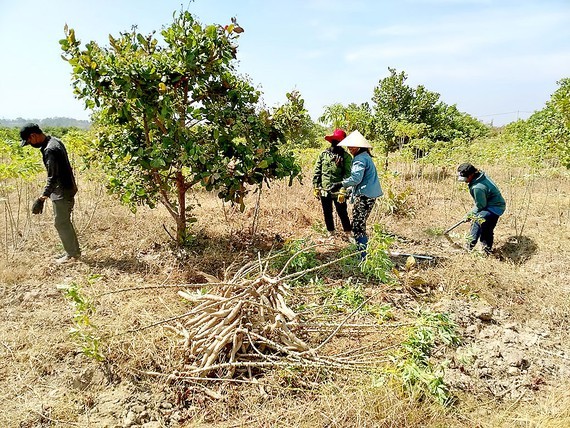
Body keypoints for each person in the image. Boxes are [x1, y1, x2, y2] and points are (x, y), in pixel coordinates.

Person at [20, 123, 81, 263]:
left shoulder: (50, 150)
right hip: (67, 188)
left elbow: (53, 178)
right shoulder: (55, 141)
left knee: (61, 223)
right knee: (64, 222)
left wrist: (42, 198)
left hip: (62, 191)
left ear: (33, 136)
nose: (30, 144)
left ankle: (72, 255)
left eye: (29, 142)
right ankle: (74, 252)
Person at [328, 130, 382, 260]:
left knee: (358, 226)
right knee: (359, 224)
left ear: (360, 146)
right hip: (368, 195)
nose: (350, 149)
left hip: (365, 197)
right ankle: (362, 254)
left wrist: (340, 184)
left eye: (353, 146)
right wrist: (349, 192)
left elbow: (356, 179)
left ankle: (362, 257)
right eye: (349, 146)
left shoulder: (359, 159)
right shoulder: (365, 157)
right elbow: (362, 181)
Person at [457, 163, 506, 254]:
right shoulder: (481, 175)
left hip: (494, 207)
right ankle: (487, 251)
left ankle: (468, 247)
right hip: (496, 205)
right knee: (487, 228)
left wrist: (469, 215)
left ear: (471, 175)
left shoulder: (478, 187)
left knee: (478, 221)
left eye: (466, 178)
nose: (465, 181)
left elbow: (481, 205)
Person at [312, 128, 352, 238]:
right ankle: (331, 233)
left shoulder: (346, 157)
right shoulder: (323, 155)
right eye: (335, 141)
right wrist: (316, 186)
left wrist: (343, 190)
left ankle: (348, 233)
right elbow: (317, 171)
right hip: (324, 189)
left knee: (342, 212)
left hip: (339, 190)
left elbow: (348, 175)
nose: (336, 143)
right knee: (327, 212)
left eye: (339, 142)